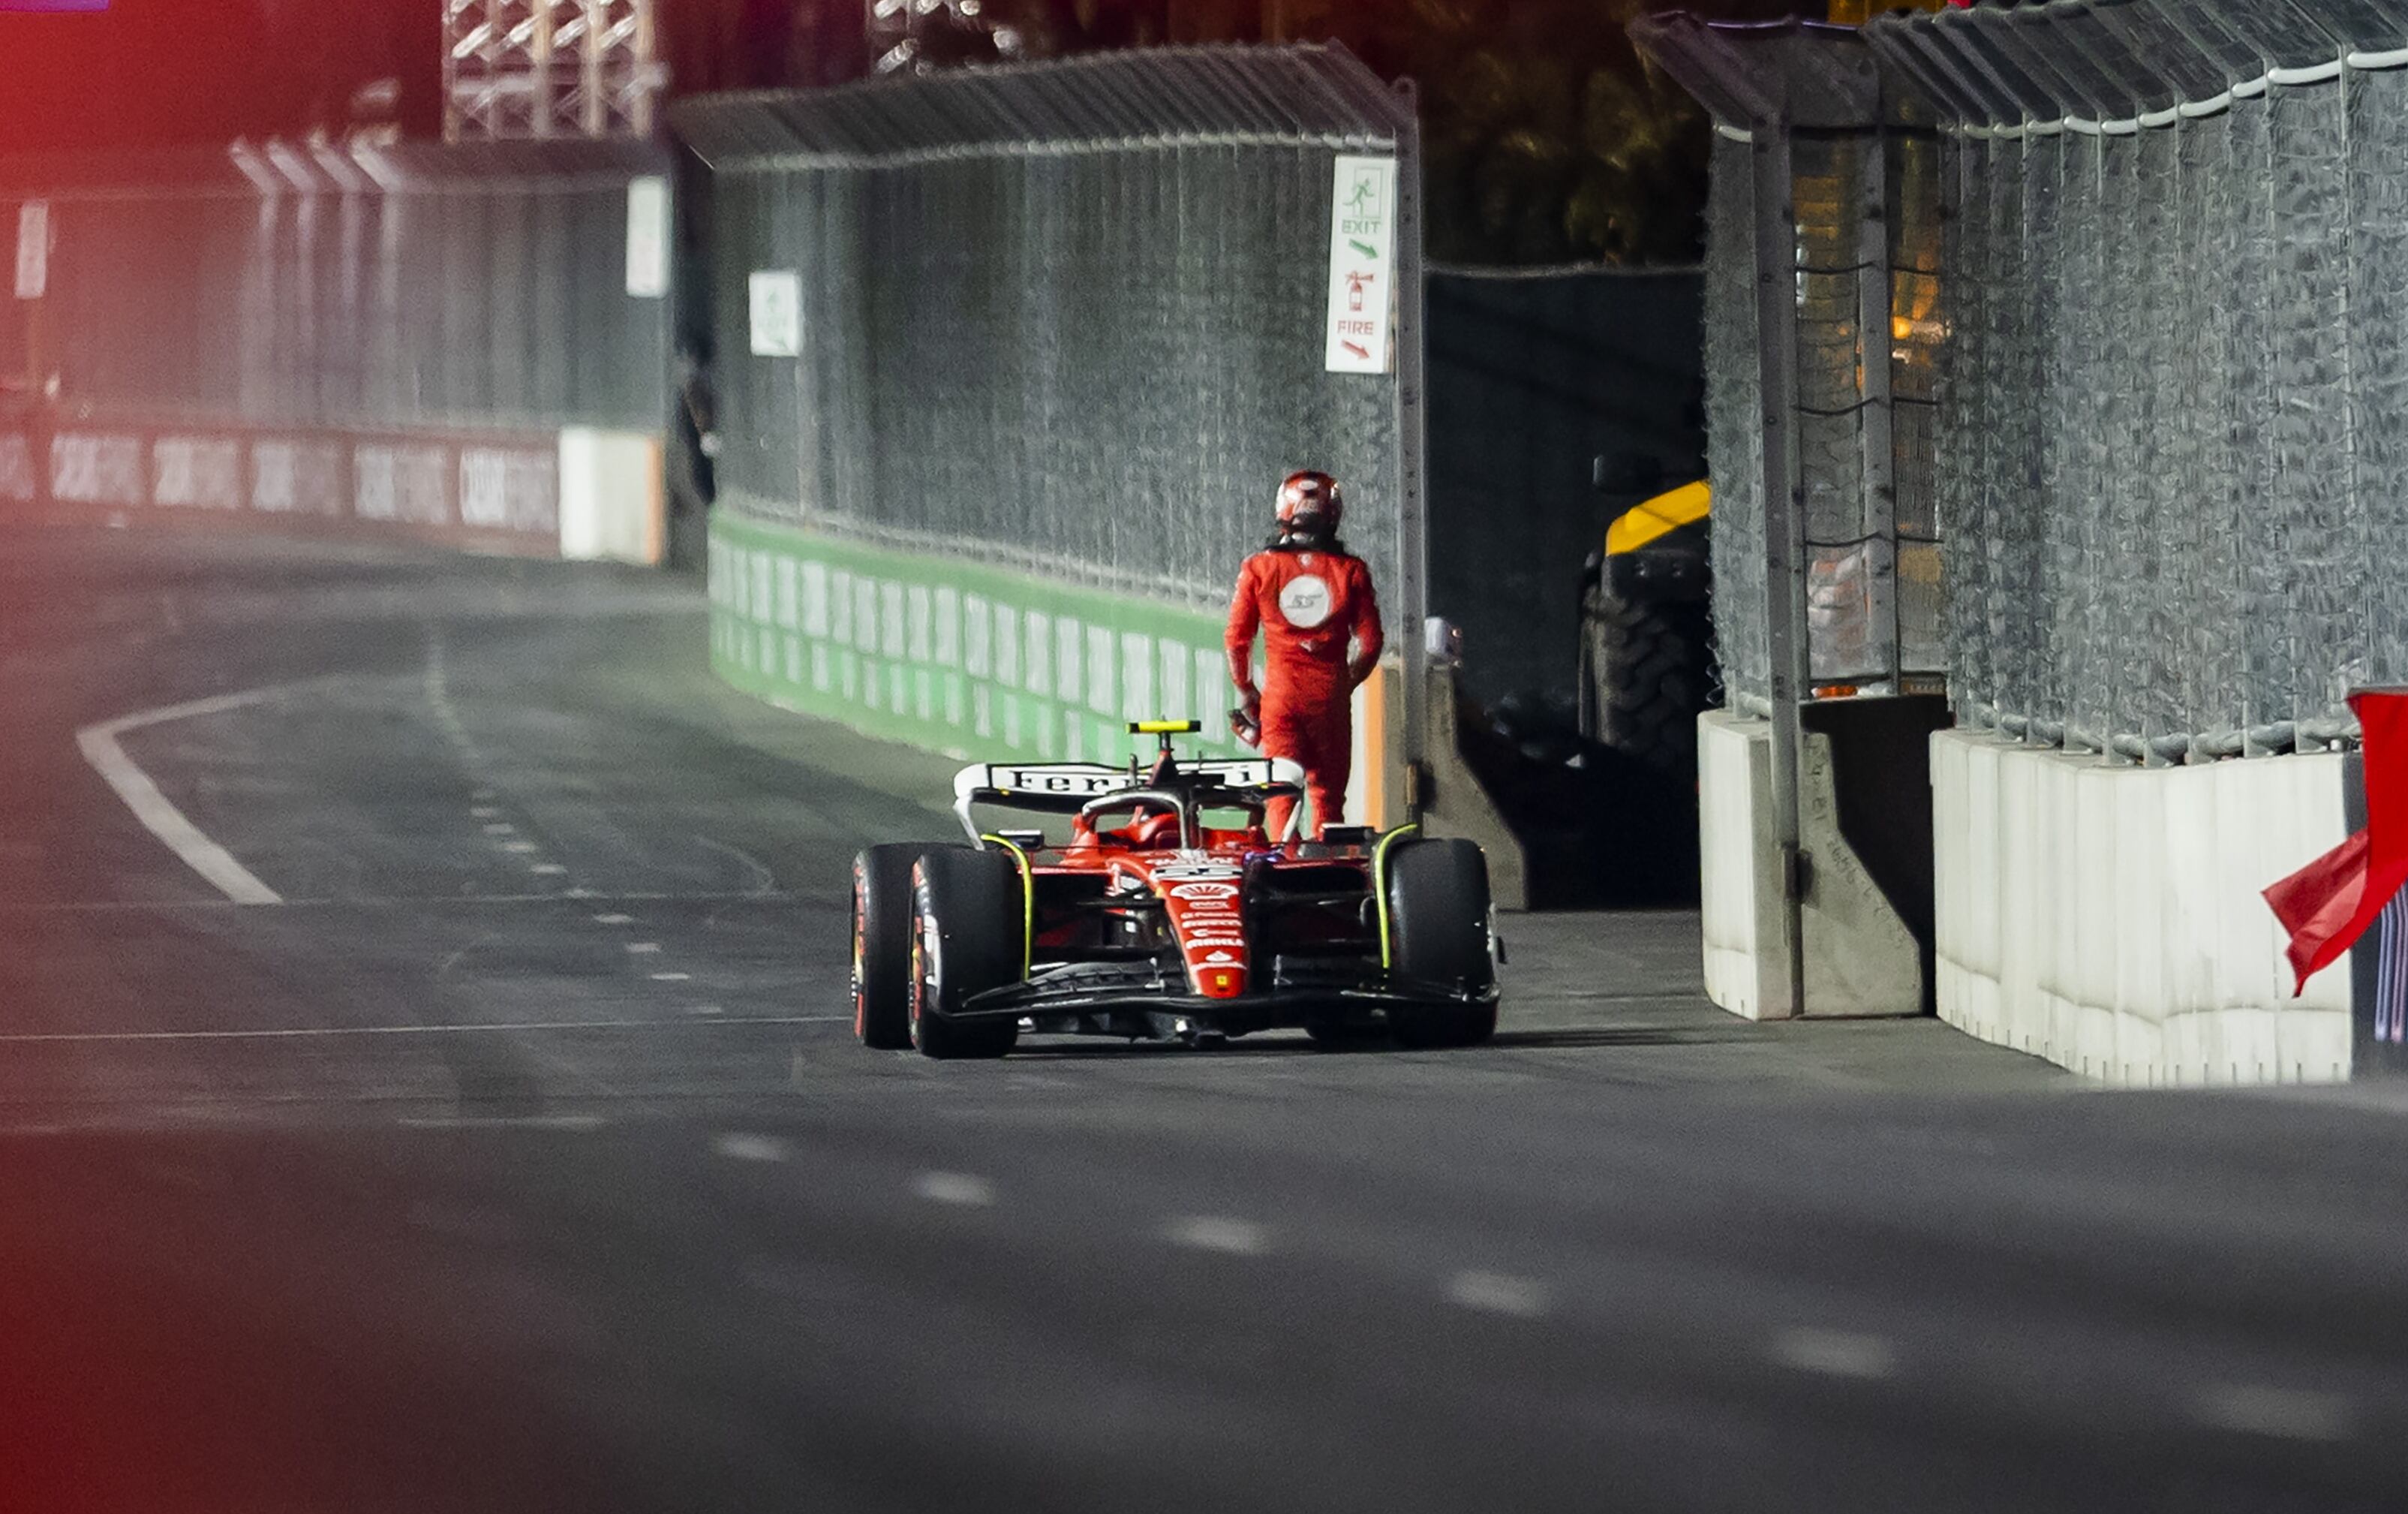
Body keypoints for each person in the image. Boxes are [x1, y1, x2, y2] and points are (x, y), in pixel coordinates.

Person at [1225, 470, 1384, 842]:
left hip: (1279, 698)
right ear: (1333, 513)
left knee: (1281, 796)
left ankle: (1282, 872)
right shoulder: (1352, 571)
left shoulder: (1259, 567)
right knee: (1328, 799)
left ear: (1284, 509)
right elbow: (1372, 643)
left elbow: (1236, 640)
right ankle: (1328, 882)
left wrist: (1247, 690)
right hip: (1329, 697)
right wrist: (1346, 681)